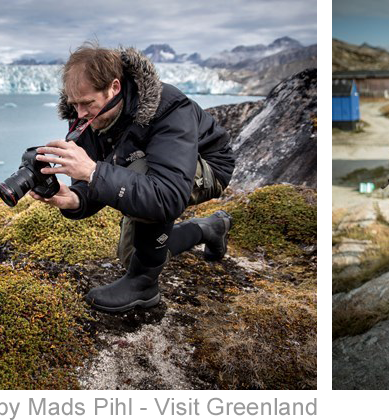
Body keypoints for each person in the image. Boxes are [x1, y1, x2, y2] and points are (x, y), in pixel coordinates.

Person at [28, 43, 235, 313]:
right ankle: (210, 228)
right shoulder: (90, 115)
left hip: (208, 167)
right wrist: (74, 198)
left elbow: (167, 197)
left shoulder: (169, 108)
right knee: (132, 256)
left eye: (87, 103)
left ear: (114, 88)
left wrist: (92, 172)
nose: (79, 114)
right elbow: (96, 173)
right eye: (74, 104)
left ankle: (144, 285)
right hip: (147, 170)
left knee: (141, 190)